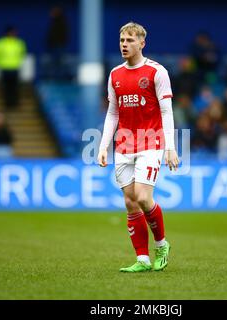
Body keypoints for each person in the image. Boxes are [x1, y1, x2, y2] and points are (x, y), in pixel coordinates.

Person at [97, 22, 179, 273]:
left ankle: (162, 245)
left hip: (150, 143)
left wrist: (170, 147)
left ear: (142, 43)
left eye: (130, 40)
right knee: (131, 203)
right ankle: (142, 259)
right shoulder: (114, 75)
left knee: (144, 197)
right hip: (123, 146)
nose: (124, 44)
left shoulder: (157, 72)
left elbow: (166, 111)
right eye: (122, 39)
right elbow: (112, 113)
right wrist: (103, 146)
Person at [0, 26, 27, 108]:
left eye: (14, 32)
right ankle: (7, 104)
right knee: (6, 87)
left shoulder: (19, 43)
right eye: (11, 32)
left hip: (15, 68)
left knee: (15, 87)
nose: (13, 34)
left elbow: (22, 53)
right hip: (4, 68)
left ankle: (15, 103)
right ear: (7, 33)